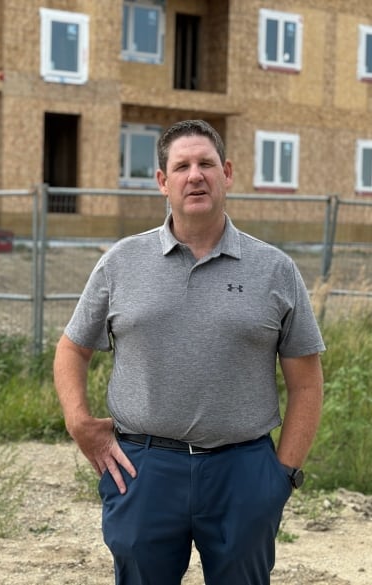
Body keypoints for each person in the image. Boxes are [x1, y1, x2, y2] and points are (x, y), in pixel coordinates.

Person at [53, 119, 325, 585]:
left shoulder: (274, 270)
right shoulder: (121, 263)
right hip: (144, 468)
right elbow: (72, 348)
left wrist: (281, 476)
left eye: (206, 164)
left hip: (242, 470)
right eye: (181, 166)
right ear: (162, 181)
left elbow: (307, 381)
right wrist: (80, 423)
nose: (194, 175)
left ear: (228, 173)